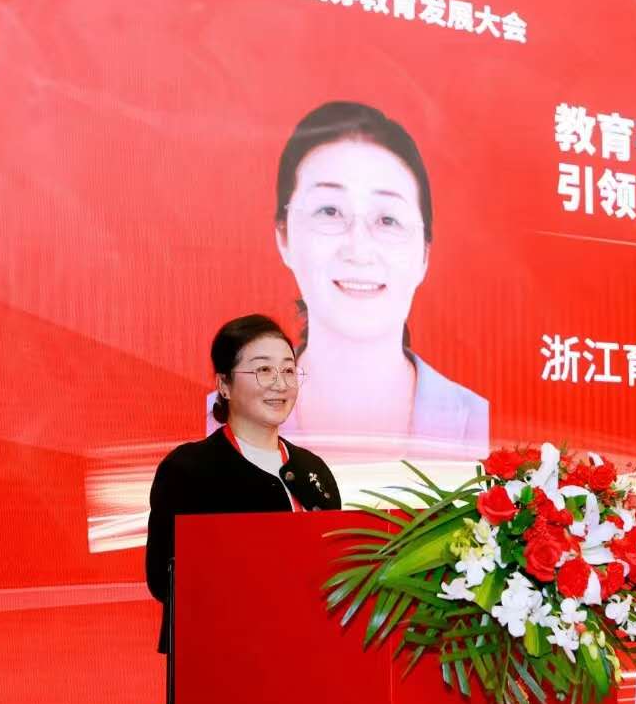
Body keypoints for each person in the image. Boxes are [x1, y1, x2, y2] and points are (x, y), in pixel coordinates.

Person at [143, 313, 340, 704]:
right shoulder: (191, 469)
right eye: (261, 370)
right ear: (224, 385)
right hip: (222, 690)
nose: (279, 383)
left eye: (288, 369)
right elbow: (163, 577)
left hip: (302, 687)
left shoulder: (312, 473)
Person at [205, 101, 488, 458]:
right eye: (329, 211)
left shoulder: (477, 423)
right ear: (284, 236)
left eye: (387, 219)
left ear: (424, 255)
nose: (359, 249)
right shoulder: (221, 419)